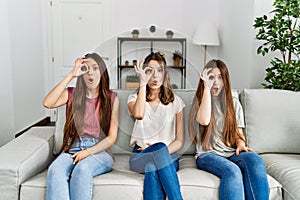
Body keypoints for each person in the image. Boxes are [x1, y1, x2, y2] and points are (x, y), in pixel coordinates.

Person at [188, 59, 269, 200]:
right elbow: (204, 120)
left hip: (231, 152)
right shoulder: (199, 102)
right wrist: (206, 88)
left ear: (225, 80)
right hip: (208, 155)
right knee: (233, 171)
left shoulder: (234, 104)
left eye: (220, 77)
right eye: (211, 77)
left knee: (255, 160)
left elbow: (238, 134)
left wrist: (241, 145)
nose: (216, 82)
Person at [43, 53, 119, 200]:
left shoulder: (112, 98)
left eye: (95, 68)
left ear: (102, 72)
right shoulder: (72, 94)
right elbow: (48, 103)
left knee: (82, 169)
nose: (90, 72)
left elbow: (111, 137)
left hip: (99, 151)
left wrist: (88, 152)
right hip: (72, 148)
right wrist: (71, 74)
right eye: (86, 68)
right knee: (55, 171)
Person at [127, 52, 184, 200]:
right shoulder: (134, 98)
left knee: (152, 168)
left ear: (165, 74)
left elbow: (179, 141)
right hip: (140, 154)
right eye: (149, 71)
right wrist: (142, 83)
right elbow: (139, 114)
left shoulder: (176, 102)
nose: (155, 76)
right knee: (156, 152)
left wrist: (159, 152)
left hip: (168, 155)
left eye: (159, 70)